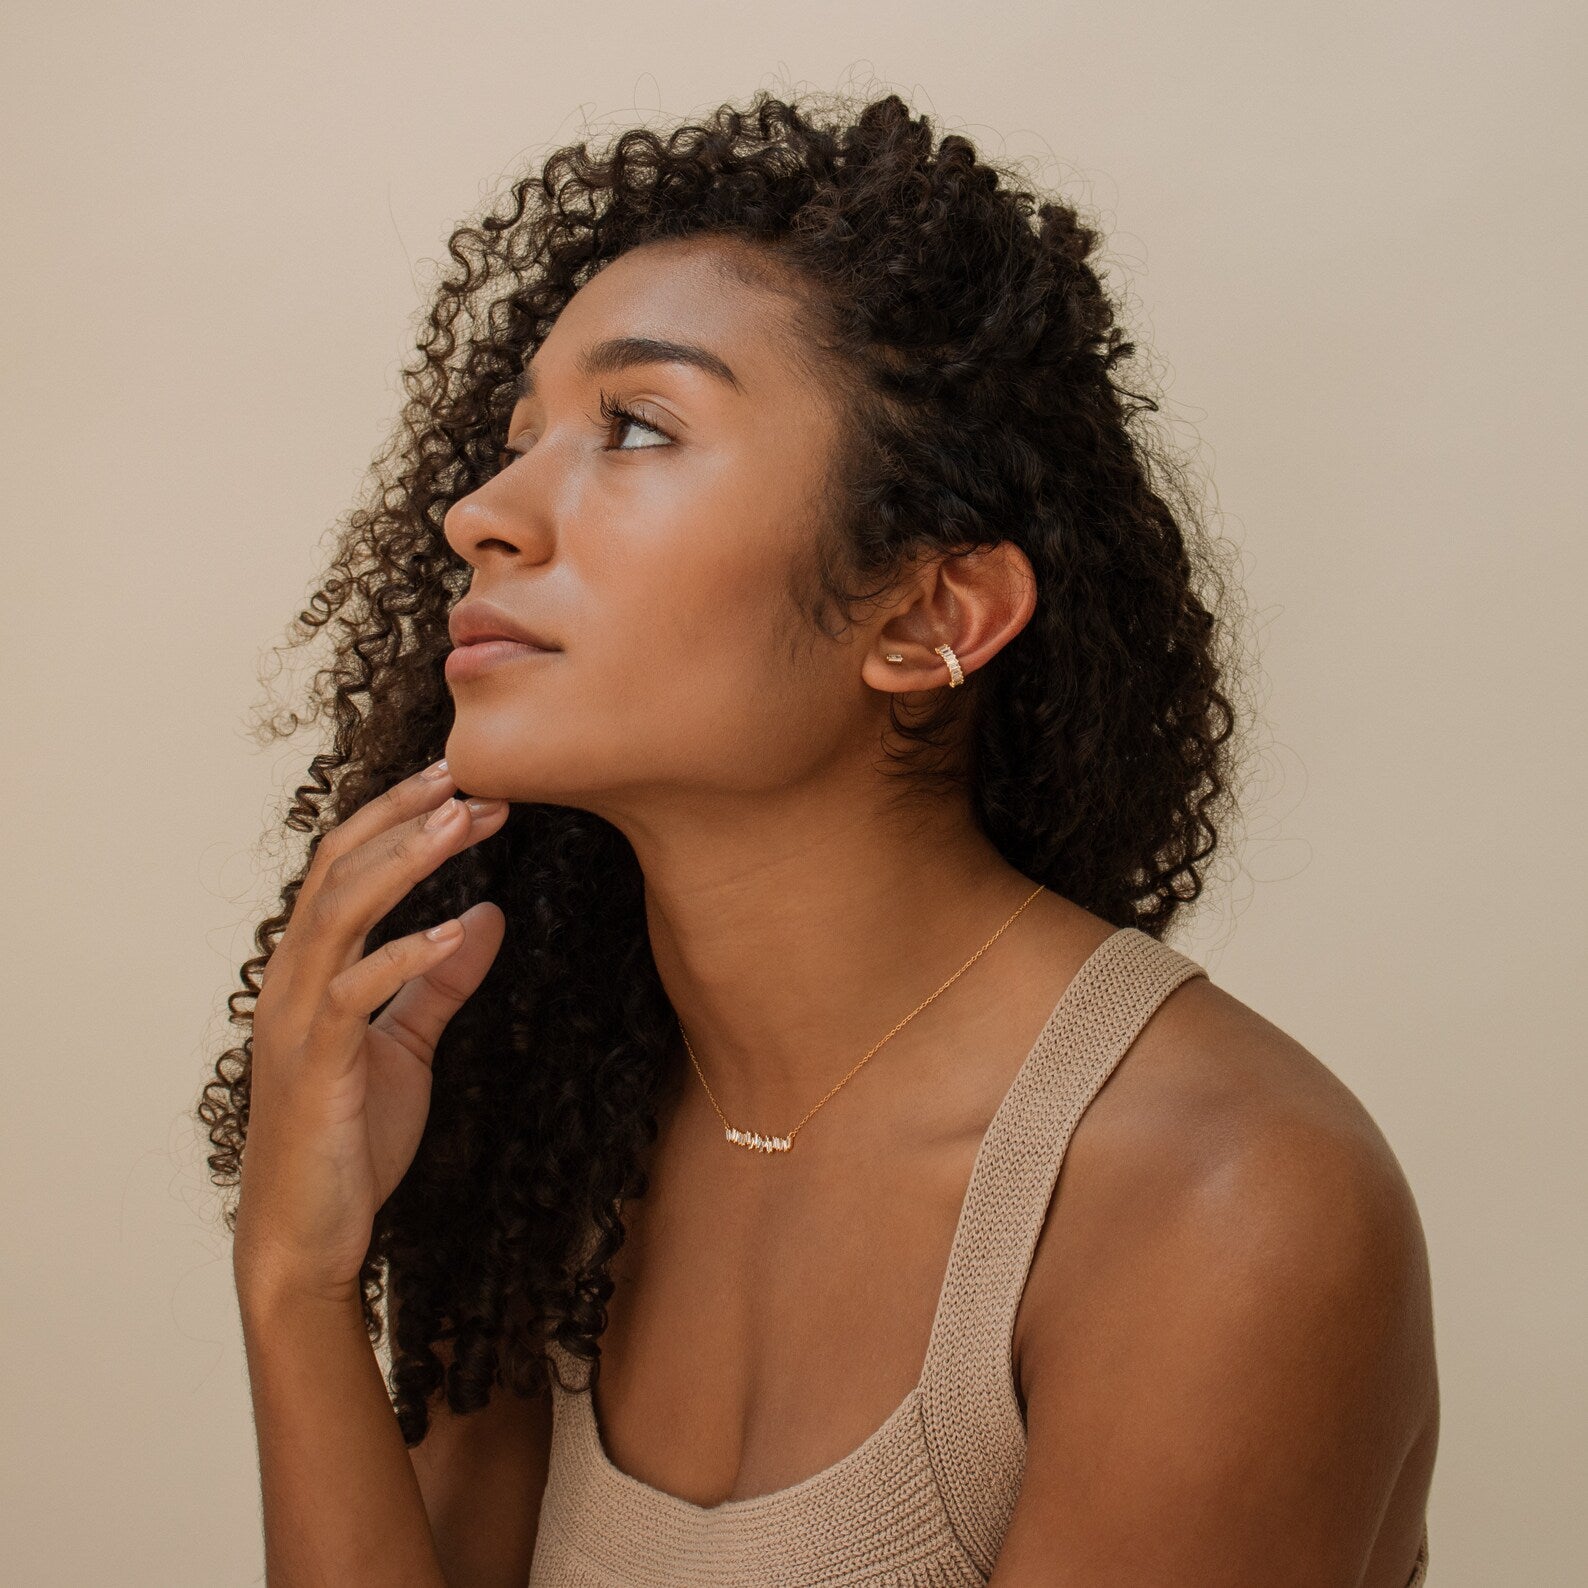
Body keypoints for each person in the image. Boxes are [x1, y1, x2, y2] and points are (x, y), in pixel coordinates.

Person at [200, 88, 1436, 1587]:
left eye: (637, 428)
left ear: (928, 617)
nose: (481, 515)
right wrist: (296, 1275)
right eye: (515, 441)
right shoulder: (558, 1122)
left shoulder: (1221, 1202)